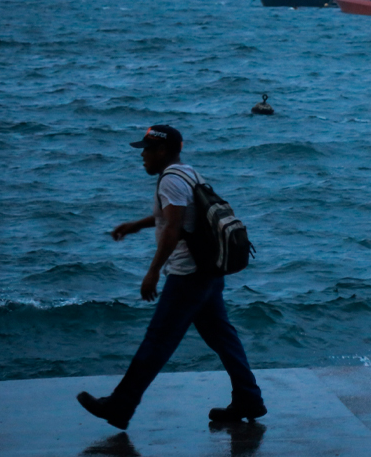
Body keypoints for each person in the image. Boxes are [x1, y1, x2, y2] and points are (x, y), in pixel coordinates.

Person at [77, 125, 265, 430]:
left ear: (162, 151)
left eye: (147, 150)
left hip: (187, 276)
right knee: (224, 339)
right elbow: (174, 215)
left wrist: (152, 271)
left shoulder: (170, 180)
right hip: (207, 273)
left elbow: (174, 226)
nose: (142, 156)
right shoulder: (187, 173)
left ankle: (120, 406)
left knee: (157, 341)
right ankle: (249, 398)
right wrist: (137, 225)